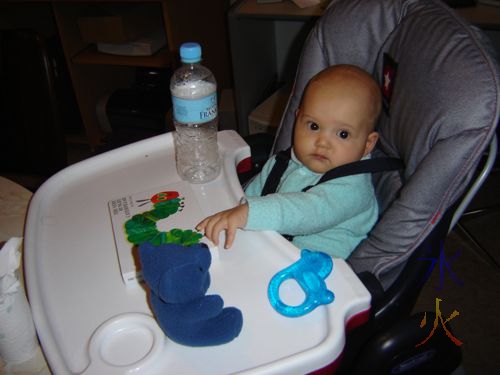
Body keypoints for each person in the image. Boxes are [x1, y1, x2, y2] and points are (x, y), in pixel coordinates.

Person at [197, 64, 381, 258]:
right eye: (314, 125)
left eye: (343, 134)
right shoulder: (284, 162)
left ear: (368, 144)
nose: (322, 142)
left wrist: (247, 214)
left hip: (314, 270)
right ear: (297, 119)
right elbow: (250, 196)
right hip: (270, 248)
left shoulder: (352, 188)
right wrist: (230, 212)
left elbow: (306, 212)